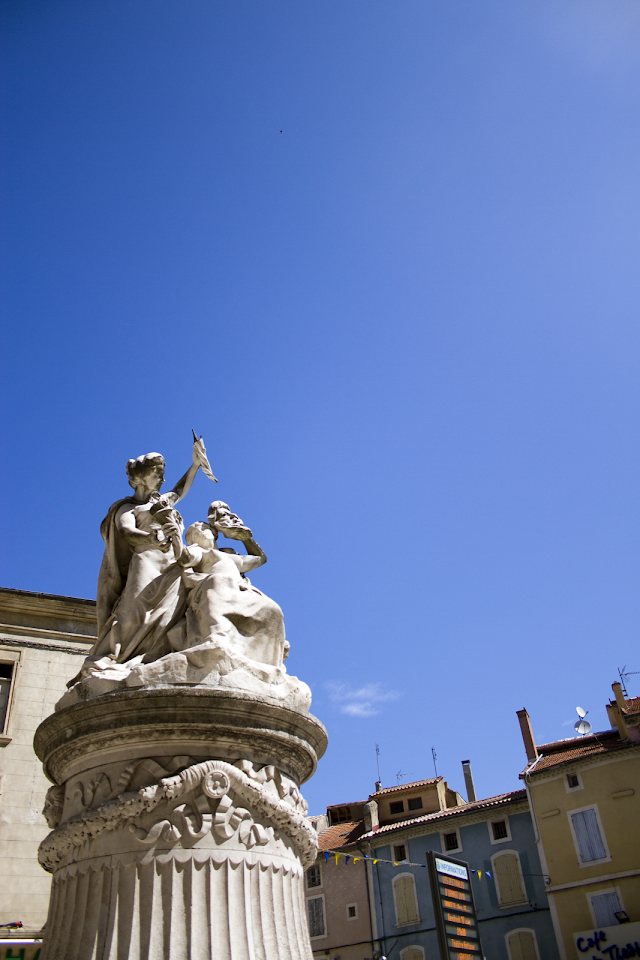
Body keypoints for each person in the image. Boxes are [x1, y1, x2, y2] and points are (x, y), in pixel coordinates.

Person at [91, 438, 210, 661]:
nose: (162, 480)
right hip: (146, 561)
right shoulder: (128, 508)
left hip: (172, 563)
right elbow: (126, 531)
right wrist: (150, 539)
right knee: (131, 613)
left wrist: (195, 465)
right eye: (157, 475)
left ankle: (151, 657)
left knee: (168, 615)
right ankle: (115, 657)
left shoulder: (161, 502)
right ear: (141, 478)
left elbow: (179, 490)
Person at [160, 503, 287, 670]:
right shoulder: (201, 551)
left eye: (205, 530)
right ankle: (216, 638)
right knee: (219, 580)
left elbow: (260, 559)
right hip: (212, 588)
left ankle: (269, 660)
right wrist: (176, 537)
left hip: (239, 589)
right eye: (197, 532)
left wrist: (243, 536)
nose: (202, 533)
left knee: (272, 608)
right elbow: (185, 558)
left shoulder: (229, 555)